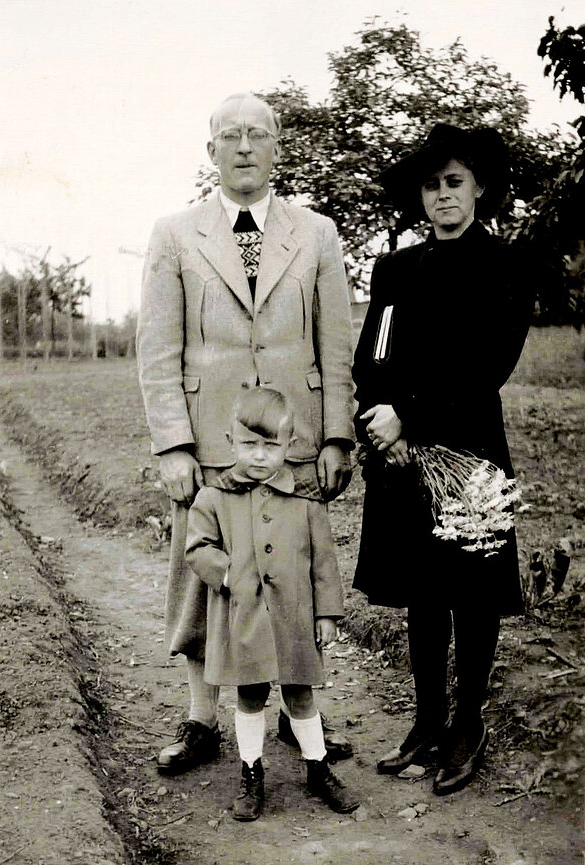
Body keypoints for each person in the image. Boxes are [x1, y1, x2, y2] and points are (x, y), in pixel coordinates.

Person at [136, 92, 355, 775]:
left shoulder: (316, 233)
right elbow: (156, 348)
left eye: (256, 134)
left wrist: (337, 435)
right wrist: (173, 444)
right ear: (210, 152)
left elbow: (335, 342)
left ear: (276, 148)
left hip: (291, 437)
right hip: (208, 440)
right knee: (208, 575)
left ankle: (296, 714)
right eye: (228, 136)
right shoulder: (175, 234)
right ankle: (202, 719)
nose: (242, 146)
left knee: (289, 576)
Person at [352, 123, 533, 796]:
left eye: (454, 182)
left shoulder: (504, 266)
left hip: (471, 454)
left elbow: (487, 366)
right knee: (423, 592)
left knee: (471, 592)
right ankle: (426, 721)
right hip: (401, 459)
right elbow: (372, 359)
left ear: (479, 186)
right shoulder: (396, 270)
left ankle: (468, 723)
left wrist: (411, 415)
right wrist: (377, 421)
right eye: (431, 185)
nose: (443, 196)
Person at [185, 387, 360, 820]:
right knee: (250, 695)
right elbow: (196, 548)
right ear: (230, 442)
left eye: (271, 445)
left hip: (294, 618)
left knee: (300, 695)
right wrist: (228, 572)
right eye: (249, 444)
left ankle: (317, 769)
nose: (260, 456)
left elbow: (324, 563)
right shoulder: (214, 497)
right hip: (245, 618)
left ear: (290, 445)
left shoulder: (306, 502)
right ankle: (251, 771)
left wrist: (327, 614)